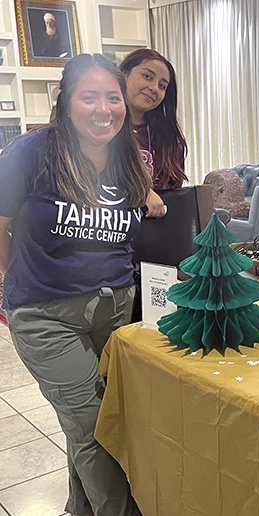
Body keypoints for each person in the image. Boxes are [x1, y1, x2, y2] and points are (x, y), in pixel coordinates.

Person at [0, 53, 148, 516]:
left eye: (112, 97)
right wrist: (8, 276)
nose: (104, 108)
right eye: (89, 97)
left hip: (114, 308)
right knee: (96, 428)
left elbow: (134, 218)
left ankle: (79, 509)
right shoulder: (30, 152)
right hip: (46, 314)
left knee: (88, 420)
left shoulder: (128, 158)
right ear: (65, 102)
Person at [119, 49, 188, 216]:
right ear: (124, 73)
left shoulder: (169, 138)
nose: (154, 88)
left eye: (162, 86)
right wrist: (141, 191)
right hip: (113, 230)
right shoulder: (103, 128)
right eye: (147, 76)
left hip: (158, 229)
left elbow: (174, 191)